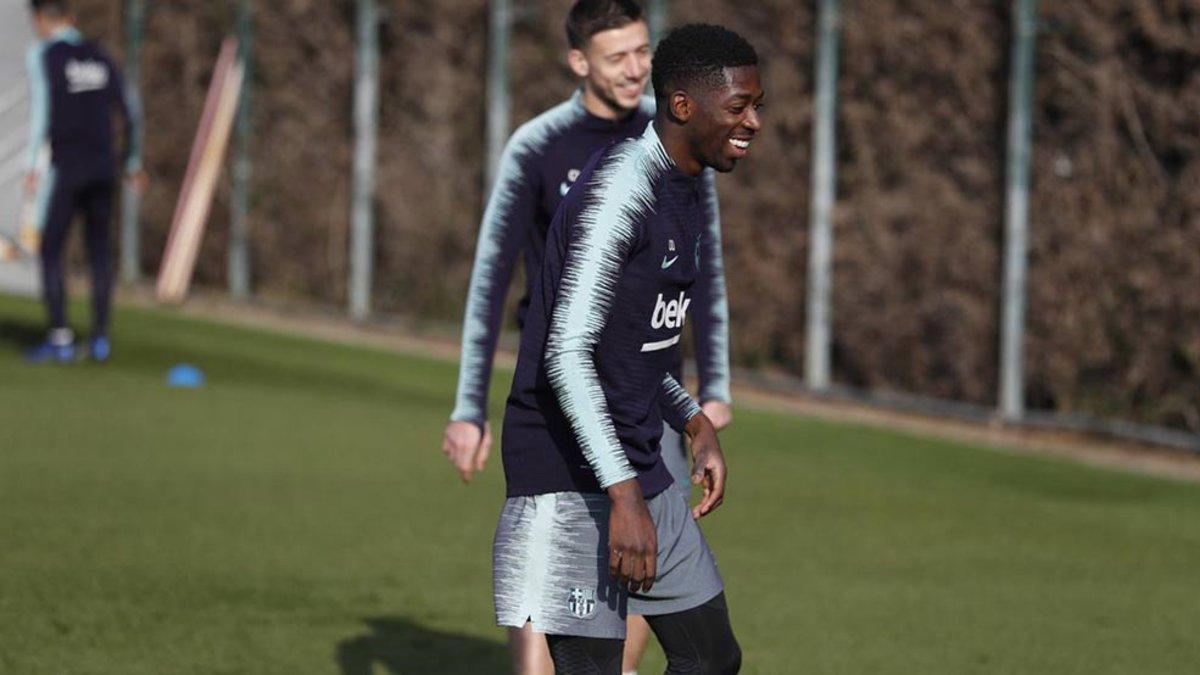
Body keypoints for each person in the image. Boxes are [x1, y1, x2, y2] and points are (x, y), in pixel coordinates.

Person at [442, 2, 733, 672]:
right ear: (580, 62)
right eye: (617, 57)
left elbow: (706, 274)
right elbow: (490, 280)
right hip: (564, 400)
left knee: (638, 621)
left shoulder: (679, 141)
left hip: (650, 394)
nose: (635, 70)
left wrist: (709, 391)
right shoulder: (539, 147)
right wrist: (467, 406)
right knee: (557, 637)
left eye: (642, 53)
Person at [23, 0, 144, 363]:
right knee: (99, 253)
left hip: (69, 167)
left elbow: (41, 112)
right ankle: (99, 339)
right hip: (105, 168)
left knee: (50, 249)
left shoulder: (44, 55)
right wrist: (133, 161)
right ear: (72, 18)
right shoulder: (100, 55)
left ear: (41, 18)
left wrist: (33, 166)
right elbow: (131, 110)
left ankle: (60, 337)